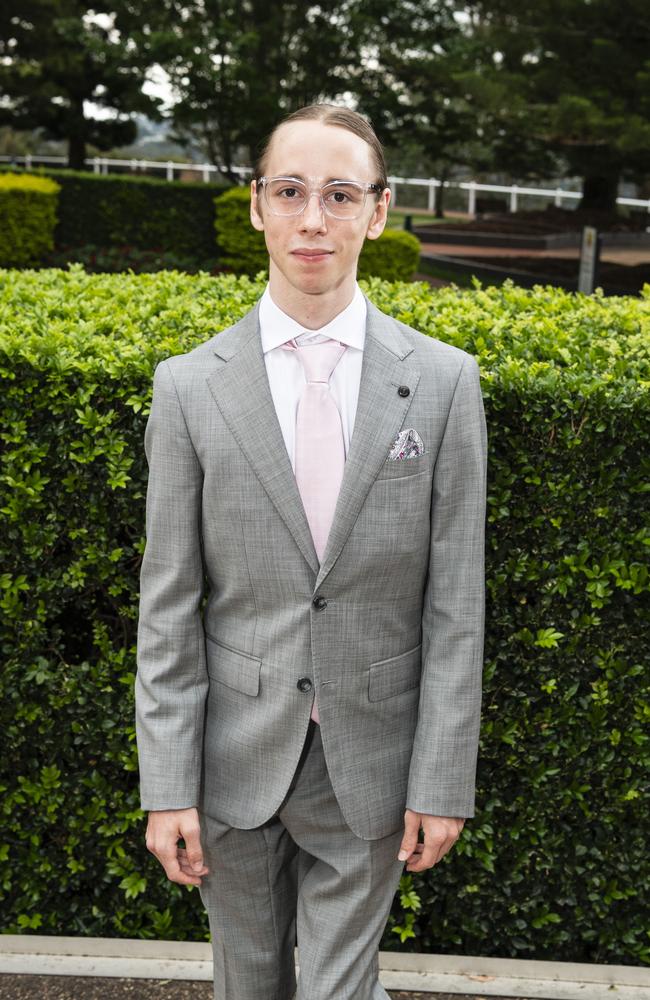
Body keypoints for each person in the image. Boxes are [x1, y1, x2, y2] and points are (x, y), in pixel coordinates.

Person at [135, 102, 487, 1000]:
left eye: (339, 194)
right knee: (245, 984)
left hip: (370, 759)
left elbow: (455, 603)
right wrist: (166, 784)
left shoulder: (443, 384)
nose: (312, 219)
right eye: (290, 191)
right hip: (231, 759)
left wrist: (442, 779)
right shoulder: (188, 389)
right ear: (256, 206)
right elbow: (169, 603)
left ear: (379, 210)